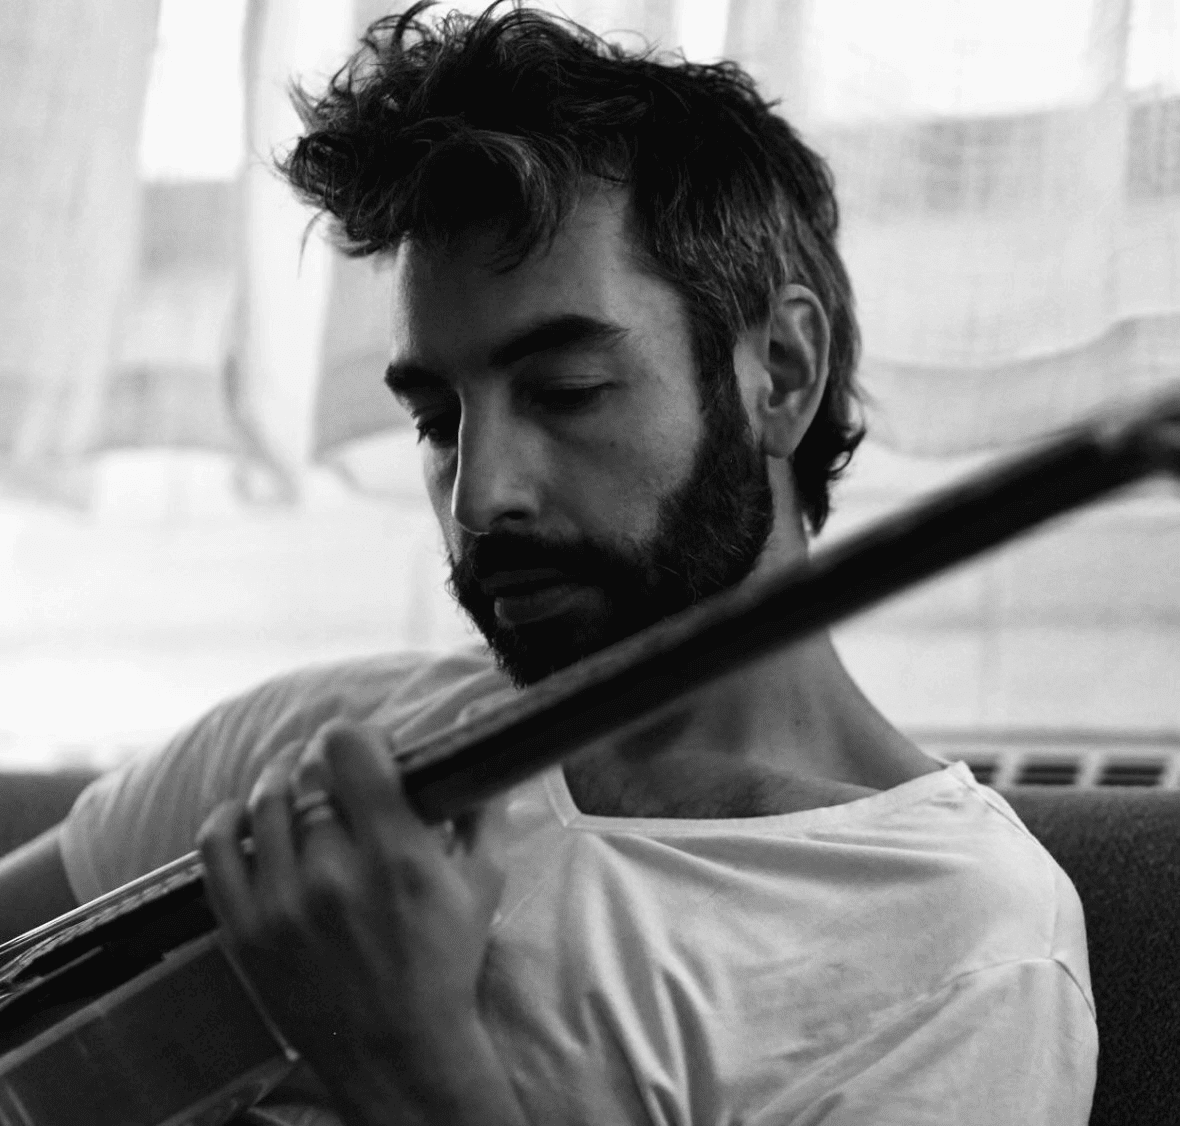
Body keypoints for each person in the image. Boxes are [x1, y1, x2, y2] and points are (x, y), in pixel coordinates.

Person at [0, 3, 1097, 1123]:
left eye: (565, 392)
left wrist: (408, 1056)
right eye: (437, 419)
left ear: (779, 368)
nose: (479, 497)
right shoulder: (330, 743)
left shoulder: (964, 944)